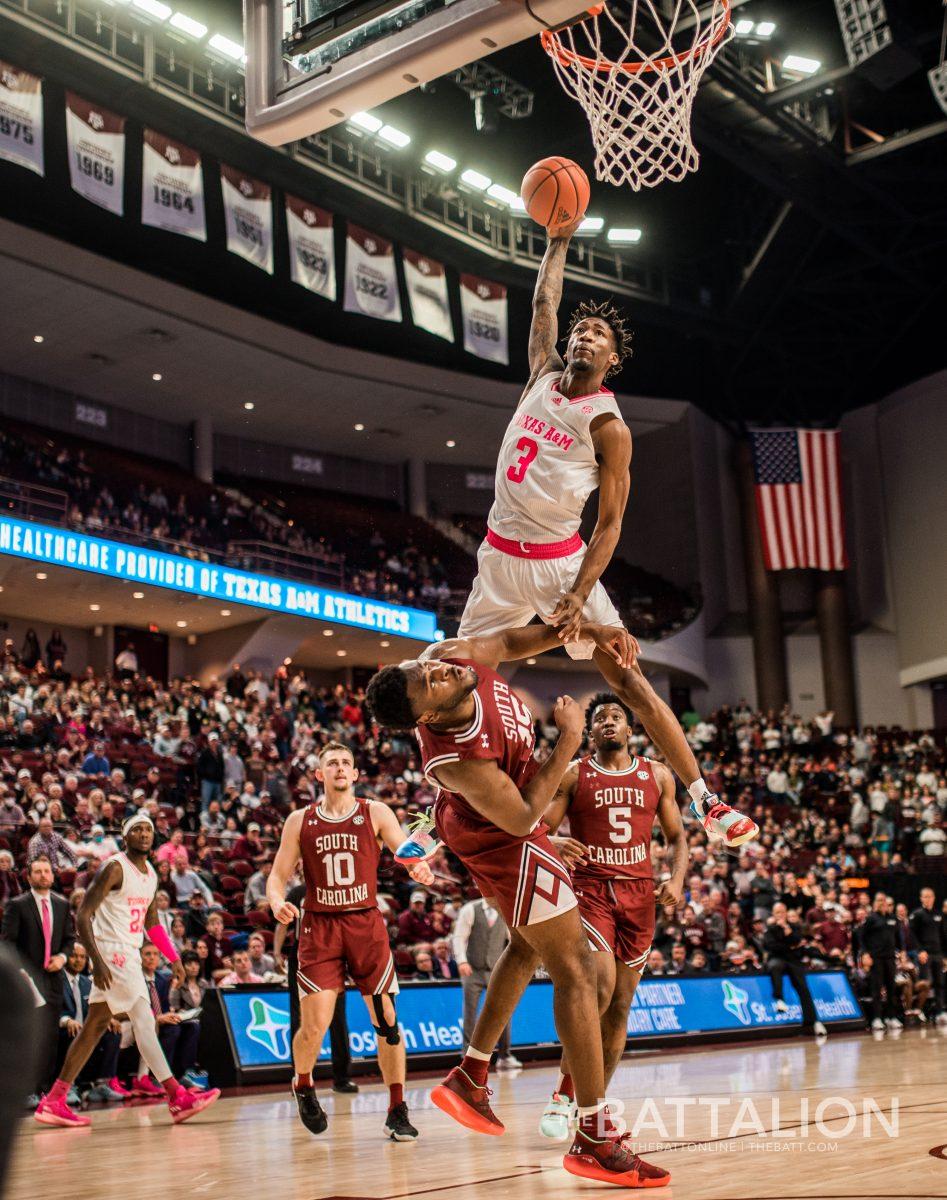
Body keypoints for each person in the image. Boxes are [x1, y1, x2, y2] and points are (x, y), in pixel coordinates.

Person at [452, 222, 755, 851]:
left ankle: (705, 800)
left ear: (613, 358)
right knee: (457, 681)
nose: (584, 336)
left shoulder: (609, 426)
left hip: (563, 564)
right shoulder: (541, 374)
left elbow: (610, 524)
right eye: (580, 331)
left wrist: (578, 593)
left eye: (598, 336)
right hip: (498, 559)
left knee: (627, 675)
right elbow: (542, 305)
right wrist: (558, 241)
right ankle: (437, 814)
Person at [366, 619, 669, 1186]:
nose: (435, 668)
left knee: (527, 949)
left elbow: (506, 643)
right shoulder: (453, 758)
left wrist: (582, 631)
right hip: (502, 838)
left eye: (424, 665)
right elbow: (522, 816)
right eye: (427, 680)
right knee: (576, 967)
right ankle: (592, 1135)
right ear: (427, 715)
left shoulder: (450, 657)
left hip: (500, 824)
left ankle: (471, 1076)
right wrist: (570, 741)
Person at [537, 691, 689, 1137]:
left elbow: (678, 837)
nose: (606, 721)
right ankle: (566, 1095)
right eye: (599, 716)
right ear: (591, 730)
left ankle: (593, 1110)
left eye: (615, 715)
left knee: (620, 1008)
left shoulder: (658, 775)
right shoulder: (573, 774)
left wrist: (676, 880)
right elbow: (536, 828)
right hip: (592, 891)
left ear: (629, 728)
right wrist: (556, 843)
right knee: (598, 991)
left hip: (640, 895)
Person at [267, 740, 435, 1142]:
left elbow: (405, 849)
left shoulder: (374, 811)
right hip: (319, 927)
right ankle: (303, 1084)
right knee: (315, 1027)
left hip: (365, 924)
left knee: (388, 1024)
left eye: (346, 761)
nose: (340, 767)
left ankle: (397, 1109)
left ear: (356, 773)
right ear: (319, 774)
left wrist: (420, 868)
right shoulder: (299, 820)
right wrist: (275, 901)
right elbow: (277, 876)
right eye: (332, 763)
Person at [32, 812, 220, 1127]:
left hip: (128, 951)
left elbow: (150, 923)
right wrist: (97, 960)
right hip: (112, 951)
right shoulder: (114, 867)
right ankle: (176, 1096)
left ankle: (54, 1100)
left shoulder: (151, 875)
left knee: (93, 1026)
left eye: (149, 829)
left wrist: (172, 957)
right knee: (144, 1018)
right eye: (138, 829)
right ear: (126, 835)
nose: (145, 834)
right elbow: (83, 916)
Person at [273, 880, 358, 1095]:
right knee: (299, 1018)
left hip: (333, 955)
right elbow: (283, 923)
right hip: (301, 956)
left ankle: (341, 1077)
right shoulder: (298, 892)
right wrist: (276, 952)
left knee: (337, 1017)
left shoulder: (338, 892)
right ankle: (300, 1078)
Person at [1, 855, 74, 1105]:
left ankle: (46, 1089)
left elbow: (69, 939)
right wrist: (19, 972)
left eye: (47, 871)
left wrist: (63, 958)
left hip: (53, 976)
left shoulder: (62, 904)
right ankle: (26, 1090)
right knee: (28, 1035)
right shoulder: (17, 904)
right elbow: (8, 942)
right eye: (38, 872)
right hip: (26, 979)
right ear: (29, 877)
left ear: (53, 876)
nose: (43, 875)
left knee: (51, 1036)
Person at [452, 897, 519, 1069]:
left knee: (503, 1011)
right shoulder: (470, 909)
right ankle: (467, 1057)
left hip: (496, 970)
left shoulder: (505, 912)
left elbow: (513, 939)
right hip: (472, 970)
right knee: (470, 1012)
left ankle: (505, 1055)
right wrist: (461, 961)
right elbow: (459, 937)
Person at [58, 941, 127, 1102]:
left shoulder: (87, 982)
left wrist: (107, 1019)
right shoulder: (56, 980)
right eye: (74, 956)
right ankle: (69, 1086)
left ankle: (102, 1084)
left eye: (82, 957)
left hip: (84, 1029)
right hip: (63, 1029)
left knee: (113, 1031)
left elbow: (94, 1010)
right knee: (73, 1030)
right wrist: (67, 1021)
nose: (78, 960)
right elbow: (51, 1010)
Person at [763, 902, 827, 1038]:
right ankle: (779, 999)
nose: (780, 915)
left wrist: (788, 931)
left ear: (786, 913)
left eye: (782, 912)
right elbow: (771, 946)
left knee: (803, 987)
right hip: (777, 958)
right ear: (774, 915)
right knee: (775, 967)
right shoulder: (770, 930)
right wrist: (789, 946)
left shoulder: (793, 927)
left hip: (793, 960)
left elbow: (798, 941)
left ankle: (813, 1022)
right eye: (777, 912)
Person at [858, 892, 901, 1032]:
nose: (882, 903)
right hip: (876, 958)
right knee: (876, 989)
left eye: (884, 900)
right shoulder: (871, 918)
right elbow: (861, 937)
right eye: (879, 900)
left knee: (891, 989)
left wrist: (902, 951)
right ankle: (877, 1019)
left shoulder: (893, 919)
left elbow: (898, 937)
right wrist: (865, 954)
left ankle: (891, 1017)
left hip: (890, 958)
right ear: (875, 902)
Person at [910, 887, 947, 1024]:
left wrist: (944, 956)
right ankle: (922, 1011)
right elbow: (912, 935)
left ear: (934, 898)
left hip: (937, 954)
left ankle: (939, 1012)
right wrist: (920, 951)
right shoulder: (917, 914)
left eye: (930, 896)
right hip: (924, 954)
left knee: (940, 983)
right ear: (921, 898)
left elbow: (943, 936)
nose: (928, 899)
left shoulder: (939, 915)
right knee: (925, 984)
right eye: (925, 896)